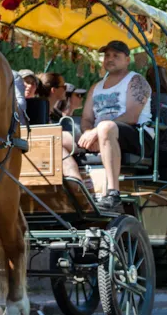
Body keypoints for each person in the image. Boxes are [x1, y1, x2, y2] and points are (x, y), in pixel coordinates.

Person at [60, 40, 152, 213]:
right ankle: (75, 187)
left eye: (115, 55)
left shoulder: (136, 81)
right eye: (107, 55)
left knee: (105, 128)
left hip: (137, 135)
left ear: (127, 59)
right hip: (103, 134)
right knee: (58, 138)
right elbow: (87, 118)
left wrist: (97, 131)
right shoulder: (96, 87)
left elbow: (131, 116)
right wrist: (89, 133)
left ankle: (113, 192)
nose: (110, 59)